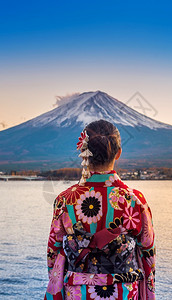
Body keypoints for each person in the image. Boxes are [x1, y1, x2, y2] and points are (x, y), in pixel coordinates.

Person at [44, 119, 156, 300]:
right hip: (124, 291)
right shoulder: (135, 200)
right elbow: (148, 253)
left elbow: (53, 252)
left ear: (83, 153)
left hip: (78, 291)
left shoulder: (65, 200)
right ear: (118, 153)